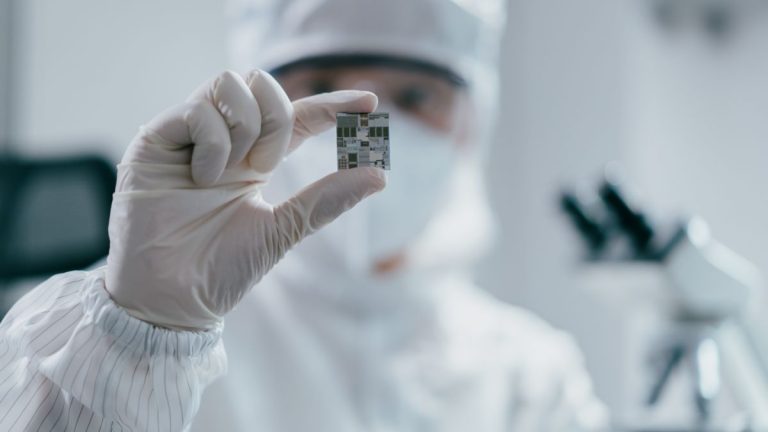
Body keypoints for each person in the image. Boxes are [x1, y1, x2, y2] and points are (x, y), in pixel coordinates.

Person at [0, 0, 609, 430]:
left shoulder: (530, 376)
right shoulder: (163, 322)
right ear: (256, 99)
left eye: (417, 96)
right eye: (321, 82)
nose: (367, 131)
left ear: (472, 123)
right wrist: (140, 332)